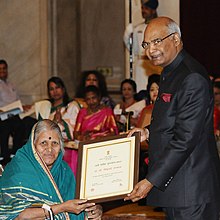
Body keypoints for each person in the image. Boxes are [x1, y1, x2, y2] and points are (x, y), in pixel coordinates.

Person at [125, 17, 220, 219]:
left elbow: (185, 139)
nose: (151, 50)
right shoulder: (171, 72)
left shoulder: (191, 77)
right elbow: (172, 119)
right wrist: (147, 131)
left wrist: (151, 180)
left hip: (192, 191)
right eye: (146, 44)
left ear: (175, 39)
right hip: (177, 189)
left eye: (157, 41)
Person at [0, 119, 102, 219]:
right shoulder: (19, 170)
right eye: (43, 143)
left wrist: (92, 211)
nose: (49, 149)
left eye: (55, 143)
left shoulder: (64, 171)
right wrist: (63, 207)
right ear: (33, 145)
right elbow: (21, 216)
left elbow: (75, 207)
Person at [35, 76, 81, 176]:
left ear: (63, 89)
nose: (55, 91)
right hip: (48, 146)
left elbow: (77, 129)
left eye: (57, 87)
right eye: (51, 89)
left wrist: (61, 122)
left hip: (69, 146)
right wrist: (54, 121)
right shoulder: (46, 109)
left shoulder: (72, 105)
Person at [123, 0, 162, 91]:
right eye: (142, 8)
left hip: (155, 63)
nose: (143, 11)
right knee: (140, 90)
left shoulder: (160, 26)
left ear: (153, 10)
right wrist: (128, 33)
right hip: (141, 64)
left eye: (146, 8)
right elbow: (133, 48)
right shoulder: (138, 28)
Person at [0, 59, 25, 163]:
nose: (2, 71)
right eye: (0, 69)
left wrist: (24, 106)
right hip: (2, 116)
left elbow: (17, 100)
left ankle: (15, 153)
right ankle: (4, 156)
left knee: (24, 124)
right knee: (5, 126)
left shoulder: (11, 84)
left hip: (14, 113)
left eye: (4, 68)